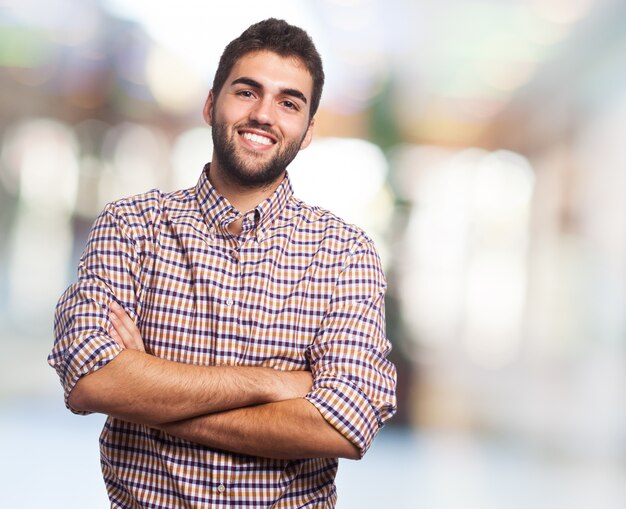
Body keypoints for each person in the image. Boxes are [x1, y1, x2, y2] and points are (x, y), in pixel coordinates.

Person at [49, 18, 397, 508]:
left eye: (288, 102)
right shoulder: (131, 227)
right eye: (247, 92)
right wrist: (274, 385)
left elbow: (345, 424)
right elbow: (90, 379)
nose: (264, 115)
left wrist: (147, 393)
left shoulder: (344, 254)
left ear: (308, 131)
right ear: (212, 103)